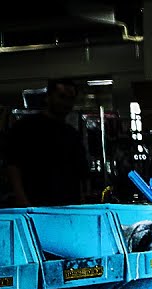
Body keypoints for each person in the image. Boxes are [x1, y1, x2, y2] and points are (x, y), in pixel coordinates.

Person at [1, 78, 89, 207]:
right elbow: (13, 165)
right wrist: (22, 200)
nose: (66, 103)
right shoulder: (26, 127)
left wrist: (81, 206)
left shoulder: (72, 134)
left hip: (68, 205)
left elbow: (79, 175)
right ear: (48, 97)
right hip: (35, 202)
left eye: (71, 99)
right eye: (62, 97)